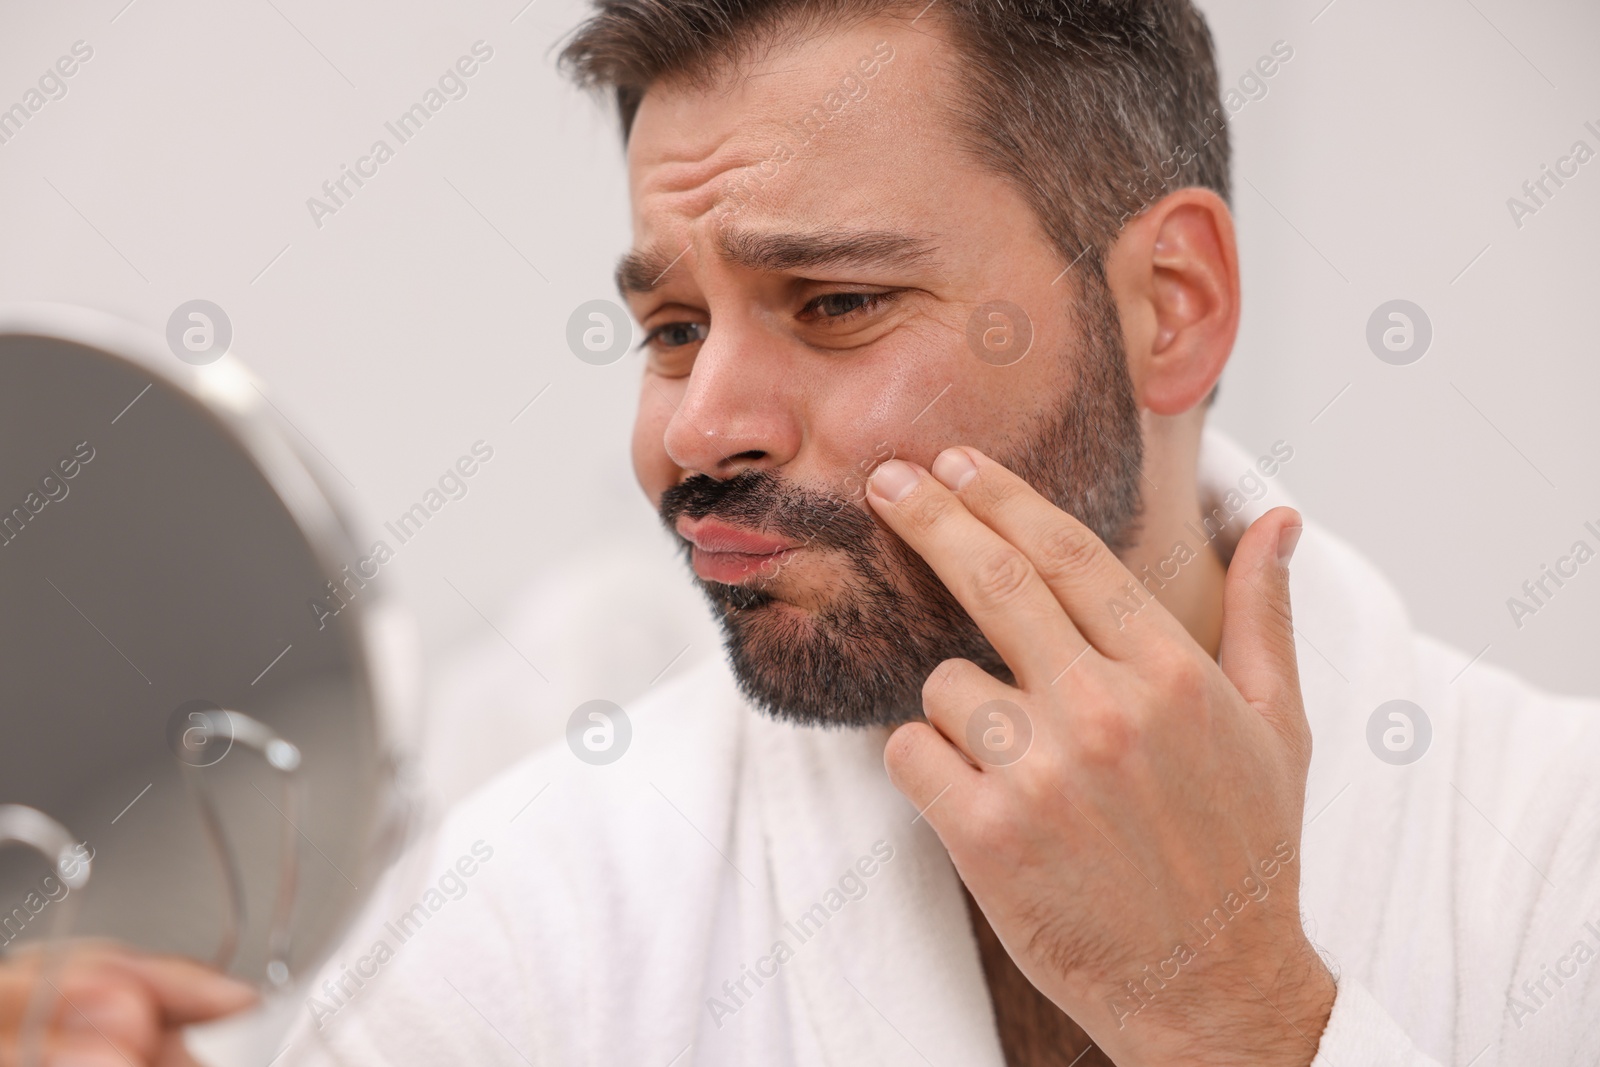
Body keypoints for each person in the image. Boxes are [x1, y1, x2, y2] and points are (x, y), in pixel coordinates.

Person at [7, 1, 1596, 1064]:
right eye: (674, 328)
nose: (698, 431)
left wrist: (1244, 1019)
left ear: (1167, 308)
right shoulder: (530, 922)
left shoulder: (1553, 859)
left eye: (835, 303)